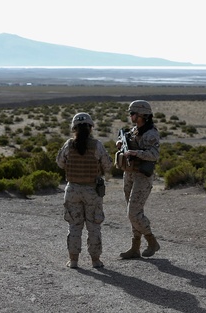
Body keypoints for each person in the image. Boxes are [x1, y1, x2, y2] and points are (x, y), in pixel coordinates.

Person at [56, 112, 113, 269]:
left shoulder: (68, 145)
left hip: (72, 189)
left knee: (74, 226)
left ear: (74, 128)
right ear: (90, 128)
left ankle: (73, 260)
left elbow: (60, 163)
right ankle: (96, 260)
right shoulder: (97, 145)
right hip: (92, 191)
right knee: (93, 226)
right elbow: (108, 165)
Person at [116, 100, 161, 259]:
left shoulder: (151, 133)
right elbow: (128, 148)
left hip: (142, 176)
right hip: (129, 174)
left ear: (142, 114)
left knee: (133, 213)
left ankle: (152, 241)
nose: (131, 116)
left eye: (133, 113)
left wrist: (137, 153)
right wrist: (122, 145)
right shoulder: (135, 131)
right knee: (133, 213)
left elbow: (154, 154)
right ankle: (135, 247)